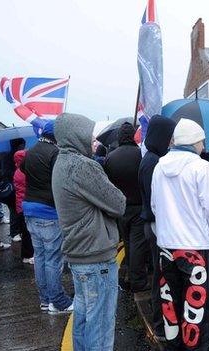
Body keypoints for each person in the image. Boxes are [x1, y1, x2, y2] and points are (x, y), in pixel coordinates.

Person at [52, 113, 126, 350]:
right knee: (101, 324)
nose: (95, 142)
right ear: (76, 137)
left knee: (84, 319)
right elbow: (118, 203)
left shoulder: (61, 163)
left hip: (79, 255)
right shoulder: (82, 166)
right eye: (90, 136)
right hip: (96, 258)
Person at [151, 118, 209, 350]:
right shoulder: (201, 166)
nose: (203, 146)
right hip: (195, 247)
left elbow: (154, 205)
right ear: (195, 141)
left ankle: (174, 346)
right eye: (202, 141)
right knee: (197, 308)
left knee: (170, 301)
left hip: (166, 245)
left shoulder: (159, 166)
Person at [22, 120, 73, 314]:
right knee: (53, 259)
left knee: (41, 257)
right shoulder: (55, 153)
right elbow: (62, 180)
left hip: (30, 209)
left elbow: (23, 169)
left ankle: (45, 300)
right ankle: (58, 302)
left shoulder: (31, 150)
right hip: (49, 212)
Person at [138, 115, 177, 341]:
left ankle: (162, 323)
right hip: (155, 225)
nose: (172, 141)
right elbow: (156, 200)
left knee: (159, 275)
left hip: (151, 224)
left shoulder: (151, 157)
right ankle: (160, 325)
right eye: (169, 136)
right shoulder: (153, 162)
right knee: (160, 277)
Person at [103, 123, 147, 294]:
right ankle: (138, 280)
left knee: (128, 242)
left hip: (120, 208)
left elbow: (107, 183)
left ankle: (129, 272)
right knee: (137, 244)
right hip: (139, 205)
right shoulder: (141, 155)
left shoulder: (111, 157)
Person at [13, 150, 34, 264]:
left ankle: (27, 253)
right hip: (23, 205)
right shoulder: (23, 172)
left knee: (26, 231)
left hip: (21, 205)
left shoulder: (18, 170)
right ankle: (28, 255)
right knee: (27, 232)